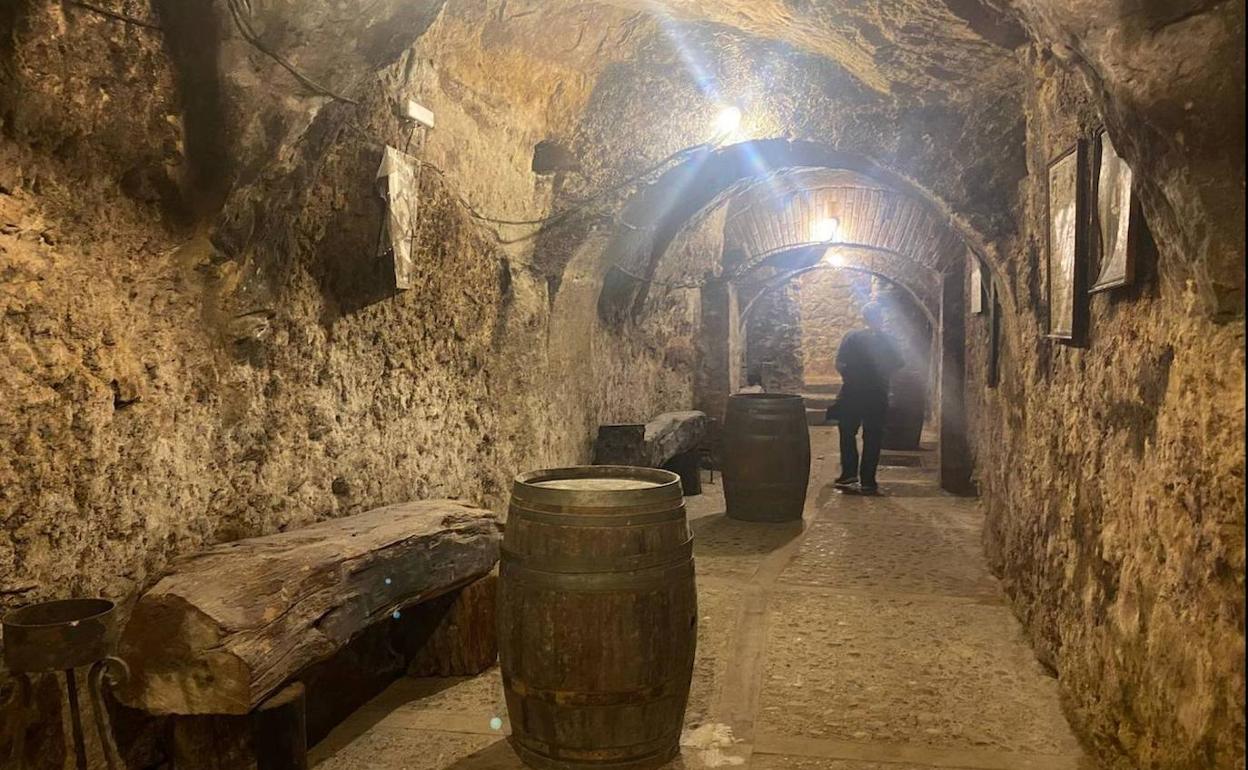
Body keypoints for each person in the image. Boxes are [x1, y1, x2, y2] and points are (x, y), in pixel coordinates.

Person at [833, 302, 903, 495]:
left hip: (852, 393)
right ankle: (868, 481)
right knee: (873, 437)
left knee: (847, 433)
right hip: (877, 394)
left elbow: (839, 363)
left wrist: (850, 377)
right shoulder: (889, 340)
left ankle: (848, 474)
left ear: (864, 317)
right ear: (881, 317)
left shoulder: (852, 337)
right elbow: (898, 365)